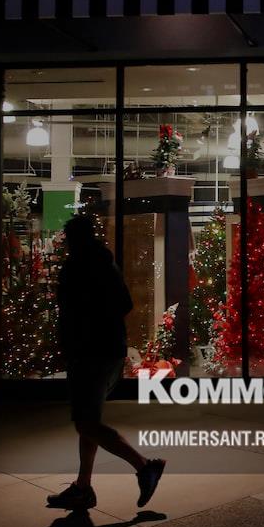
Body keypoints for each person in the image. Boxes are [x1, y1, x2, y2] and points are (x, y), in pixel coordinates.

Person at [46, 215, 166, 511]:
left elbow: (70, 310)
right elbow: (125, 304)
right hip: (108, 350)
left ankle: (144, 466)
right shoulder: (106, 263)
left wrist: (80, 330)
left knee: (86, 422)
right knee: (90, 421)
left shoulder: (78, 267)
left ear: (72, 239)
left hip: (89, 353)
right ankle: (83, 487)